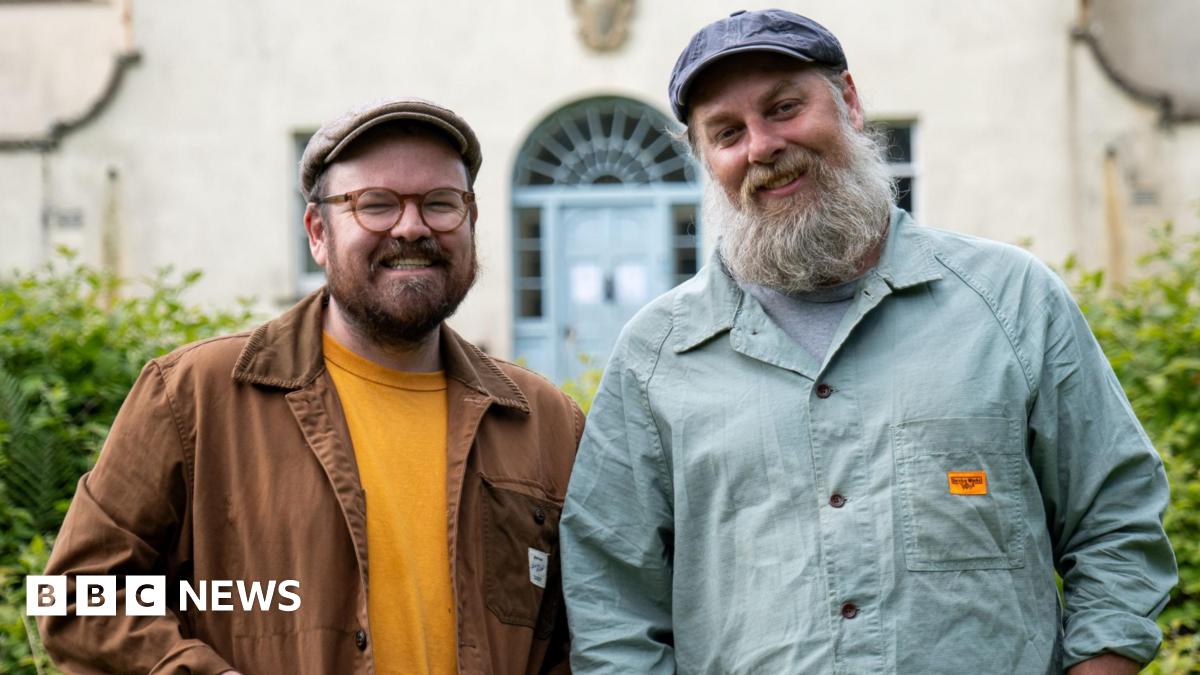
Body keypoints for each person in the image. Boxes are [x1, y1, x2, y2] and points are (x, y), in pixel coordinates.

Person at [559, 9, 1175, 674]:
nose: (762, 145)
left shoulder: (1010, 301)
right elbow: (611, 598)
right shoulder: (656, 357)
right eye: (728, 133)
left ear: (848, 101)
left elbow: (1116, 519)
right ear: (706, 159)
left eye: (784, 107)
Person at [39, 97, 582, 674]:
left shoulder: (545, 423)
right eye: (374, 205)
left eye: (440, 204)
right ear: (317, 232)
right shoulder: (193, 396)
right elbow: (78, 596)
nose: (412, 226)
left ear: (470, 223)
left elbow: (586, 634)